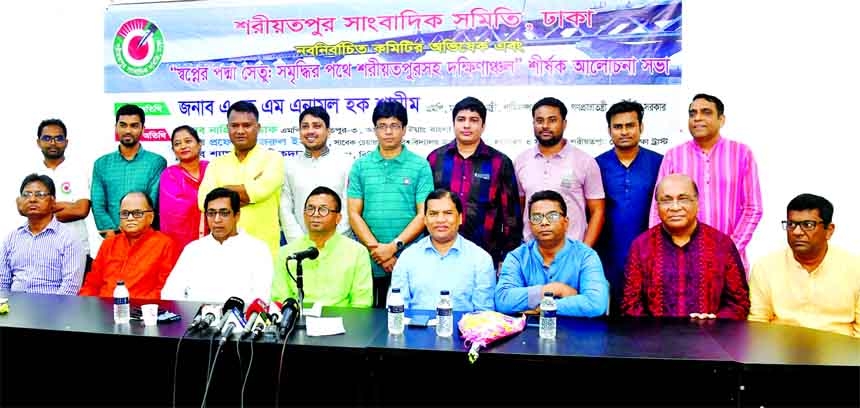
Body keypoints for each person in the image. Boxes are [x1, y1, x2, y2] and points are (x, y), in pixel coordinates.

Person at [649, 93, 762, 270]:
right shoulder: (674, 156)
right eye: (692, 113)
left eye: (706, 112)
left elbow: (753, 208)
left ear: (721, 119)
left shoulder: (741, 153)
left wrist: (730, 249)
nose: (697, 118)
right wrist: (666, 251)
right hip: (682, 261)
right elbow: (658, 208)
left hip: (729, 262)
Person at [622, 174, 750, 320]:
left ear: (697, 203)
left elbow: (739, 303)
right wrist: (655, 333)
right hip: (655, 339)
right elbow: (630, 305)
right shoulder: (641, 246)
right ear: (657, 206)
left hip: (710, 338)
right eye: (666, 200)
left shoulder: (722, 245)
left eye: (683, 199)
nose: (675, 207)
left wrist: (714, 322)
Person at [348, 100, 434, 308]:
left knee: (406, 322)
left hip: (408, 259)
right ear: (375, 130)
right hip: (370, 261)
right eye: (382, 126)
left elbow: (424, 214)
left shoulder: (420, 166)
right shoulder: (360, 166)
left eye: (394, 126)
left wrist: (394, 247)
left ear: (404, 129)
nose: (388, 132)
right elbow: (353, 214)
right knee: (370, 323)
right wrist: (379, 252)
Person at [427, 96, 522, 268]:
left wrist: (506, 258)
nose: (467, 125)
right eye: (461, 119)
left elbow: (511, 218)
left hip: (485, 257)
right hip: (440, 255)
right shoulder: (435, 159)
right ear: (453, 123)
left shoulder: (499, 162)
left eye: (474, 120)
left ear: (483, 126)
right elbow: (425, 210)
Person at [749, 194, 860, 337]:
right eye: (791, 224)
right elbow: (758, 323)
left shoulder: (855, 269)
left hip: (838, 353)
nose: (797, 232)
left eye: (808, 225)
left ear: (829, 230)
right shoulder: (765, 267)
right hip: (781, 353)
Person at [594, 101, 663, 316]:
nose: (624, 132)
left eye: (630, 125)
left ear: (641, 127)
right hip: (608, 255)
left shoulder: (660, 162)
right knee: (611, 319)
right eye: (617, 127)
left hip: (651, 254)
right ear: (609, 130)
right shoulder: (596, 164)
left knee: (649, 319)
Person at [495, 190, 609, 317]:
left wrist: (544, 307)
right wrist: (555, 289)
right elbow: (502, 300)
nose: (544, 222)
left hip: (576, 333)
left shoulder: (586, 256)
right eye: (536, 217)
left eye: (552, 216)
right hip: (529, 334)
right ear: (530, 224)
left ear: (566, 223)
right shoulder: (517, 257)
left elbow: (596, 303)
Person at [198, 101, 284, 257]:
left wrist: (222, 194)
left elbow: (260, 191)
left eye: (247, 125)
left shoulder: (273, 159)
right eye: (235, 125)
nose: (240, 131)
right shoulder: (216, 164)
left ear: (258, 128)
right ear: (227, 128)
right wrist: (248, 190)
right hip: (224, 250)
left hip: (264, 250)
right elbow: (204, 201)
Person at [515, 97, 605, 246]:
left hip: (572, 252)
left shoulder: (584, 162)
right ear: (533, 124)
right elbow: (519, 208)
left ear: (564, 123)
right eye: (539, 120)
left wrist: (584, 252)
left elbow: (598, 212)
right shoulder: (521, 161)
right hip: (531, 253)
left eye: (552, 120)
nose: (545, 125)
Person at [161, 188, 273, 303]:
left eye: (224, 213)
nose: (217, 220)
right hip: (195, 318)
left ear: (237, 216)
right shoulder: (193, 250)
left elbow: (262, 299)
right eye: (211, 213)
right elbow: (170, 293)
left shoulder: (257, 250)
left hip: (240, 319)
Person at [391, 189, 496, 312]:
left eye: (448, 213)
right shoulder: (408, 257)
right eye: (433, 214)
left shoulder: (480, 259)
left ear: (460, 218)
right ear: (425, 219)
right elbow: (396, 308)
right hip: (415, 329)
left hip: (462, 330)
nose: (440, 219)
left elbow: (484, 314)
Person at [273, 186, 372, 307]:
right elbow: (280, 299)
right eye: (310, 209)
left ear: (338, 218)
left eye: (323, 210)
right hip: (299, 322)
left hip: (343, 322)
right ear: (304, 215)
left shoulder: (357, 252)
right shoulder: (287, 254)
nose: (315, 214)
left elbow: (362, 303)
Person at [79, 192, 179, 299]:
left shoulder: (165, 245)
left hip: (141, 311)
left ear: (151, 217)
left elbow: (165, 290)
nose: (130, 218)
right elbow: (91, 285)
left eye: (137, 213)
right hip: (102, 309)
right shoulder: (109, 244)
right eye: (125, 213)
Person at [91, 104, 167, 239]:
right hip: (112, 237)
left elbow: (152, 203)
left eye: (134, 126)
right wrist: (111, 232)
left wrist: (135, 229)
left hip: (145, 238)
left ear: (143, 129)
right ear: (116, 127)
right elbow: (98, 204)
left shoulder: (156, 162)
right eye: (123, 125)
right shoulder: (102, 164)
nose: (128, 130)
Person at [0, 174, 84, 295]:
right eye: (26, 195)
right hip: (15, 308)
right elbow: (2, 283)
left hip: (53, 308)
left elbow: (70, 287)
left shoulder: (69, 238)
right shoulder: (12, 238)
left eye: (40, 194)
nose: (32, 199)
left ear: (53, 201)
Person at [280, 107, 351, 243]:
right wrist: (299, 242)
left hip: (339, 245)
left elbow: (349, 206)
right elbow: (285, 208)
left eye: (317, 126)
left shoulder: (346, 162)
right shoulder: (288, 165)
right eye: (305, 127)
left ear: (328, 131)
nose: (310, 131)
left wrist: (333, 241)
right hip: (299, 245)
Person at [27, 119, 92, 269]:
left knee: (77, 292)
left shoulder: (78, 171)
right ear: (38, 142)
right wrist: (67, 205)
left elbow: (81, 209)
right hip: (40, 251)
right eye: (47, 138)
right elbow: (24, 208)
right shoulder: (30, 171)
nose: (53, 143)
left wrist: (43, 212)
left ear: (66, 142)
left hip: (77, 249)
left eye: (59, 138)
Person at [158, 125, 209, 251]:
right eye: (177, 143)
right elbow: (174, 209)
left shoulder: (211, 169)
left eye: (188, 141)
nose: (183, 146)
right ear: (173, 150)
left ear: (199, 144)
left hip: (213, 237)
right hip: (180, 242)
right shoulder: (169, 174)